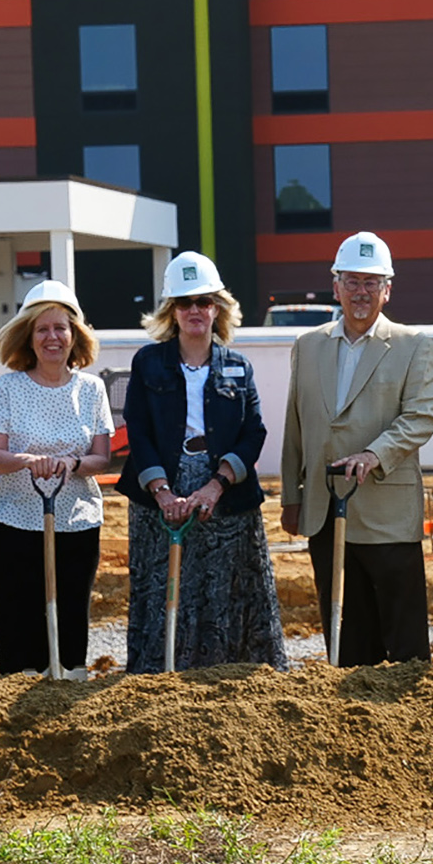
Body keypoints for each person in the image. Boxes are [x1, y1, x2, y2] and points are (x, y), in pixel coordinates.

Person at [281, 231, 433, 666]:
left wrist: (375, 455)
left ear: (387, 290)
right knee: (347, 640)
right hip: (324, 513)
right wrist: (292, 498)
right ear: (335, 285)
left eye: (371, 283)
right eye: (352, 281)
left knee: (405, 641)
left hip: (387, 517)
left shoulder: (415, 346)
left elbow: (421, 416)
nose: (360, 292)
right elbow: (296, 425)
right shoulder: (307, 345)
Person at [119, 251, 287, 672]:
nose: (195, 311)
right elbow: (137, 431)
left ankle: (227, 677)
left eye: (204, 302)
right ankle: (159, 677)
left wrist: (216, 485)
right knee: (164, 592)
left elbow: (255, 432)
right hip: (161, 497)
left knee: (224, 592)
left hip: (225, 500)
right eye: (184, 302)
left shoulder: (238, 366)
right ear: (171, 311)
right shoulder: (147, 362)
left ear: (218, 308)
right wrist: (162, 492)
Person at [0, 279, 114, 678]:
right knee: (19, 623)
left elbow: (101, 457)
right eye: (42, 329)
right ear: (29, 337)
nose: (52, 337)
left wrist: (71, 465)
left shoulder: (91, 390)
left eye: (60, 328)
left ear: (75, 335)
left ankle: (68, 688)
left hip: (75, 523)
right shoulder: (7, 388)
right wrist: (28, 460)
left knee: (70, 616)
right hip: (12, 523)